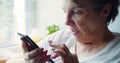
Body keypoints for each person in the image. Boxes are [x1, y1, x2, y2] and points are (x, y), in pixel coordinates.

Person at [21, 0, 120, 63]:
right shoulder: (60, 37)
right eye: (65, 11)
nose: (66, 22)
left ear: (104, 11)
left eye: (76, 12)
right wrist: (28, 59)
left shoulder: (116, 54)